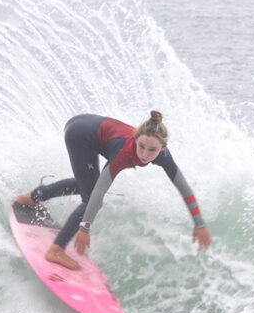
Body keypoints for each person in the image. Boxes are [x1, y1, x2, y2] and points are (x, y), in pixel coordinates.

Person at [16, 111, 211, 270]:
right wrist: (85, 228)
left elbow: (184, 188)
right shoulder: (123, 154)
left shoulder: (164, 156)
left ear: (163, 148)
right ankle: (56, 249)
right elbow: (99, 193)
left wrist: (199, 224)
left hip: (87, 125)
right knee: (92, 195)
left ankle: (31, 198)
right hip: (80, 134)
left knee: (86, 184)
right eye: (141, 146)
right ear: (135, 139)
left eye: (152, 150)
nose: (144, 154)